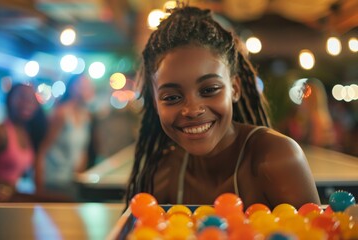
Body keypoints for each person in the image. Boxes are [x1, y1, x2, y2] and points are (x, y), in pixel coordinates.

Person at [125, 5, 320, 210]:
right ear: (155, 102)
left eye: (209, 90)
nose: (192, 110)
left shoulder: (278, 160)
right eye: (172, 97)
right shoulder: (163, 172)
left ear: (235, 89)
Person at [36, 74, 96, 200]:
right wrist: (39, 186)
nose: (89, 89)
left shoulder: (87, 116)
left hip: (71, 181)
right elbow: (43, 149)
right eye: (83, 86)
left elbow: (82, 150)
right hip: (53, 181)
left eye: (89, 86)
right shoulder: (62, 114)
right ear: (73, 88)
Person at [0, 83, 48, 201]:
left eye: (32, 99)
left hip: (12, 200)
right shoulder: (1, 132)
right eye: (22, 97)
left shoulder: (26, 132)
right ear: (10, 99)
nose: (28, 103)